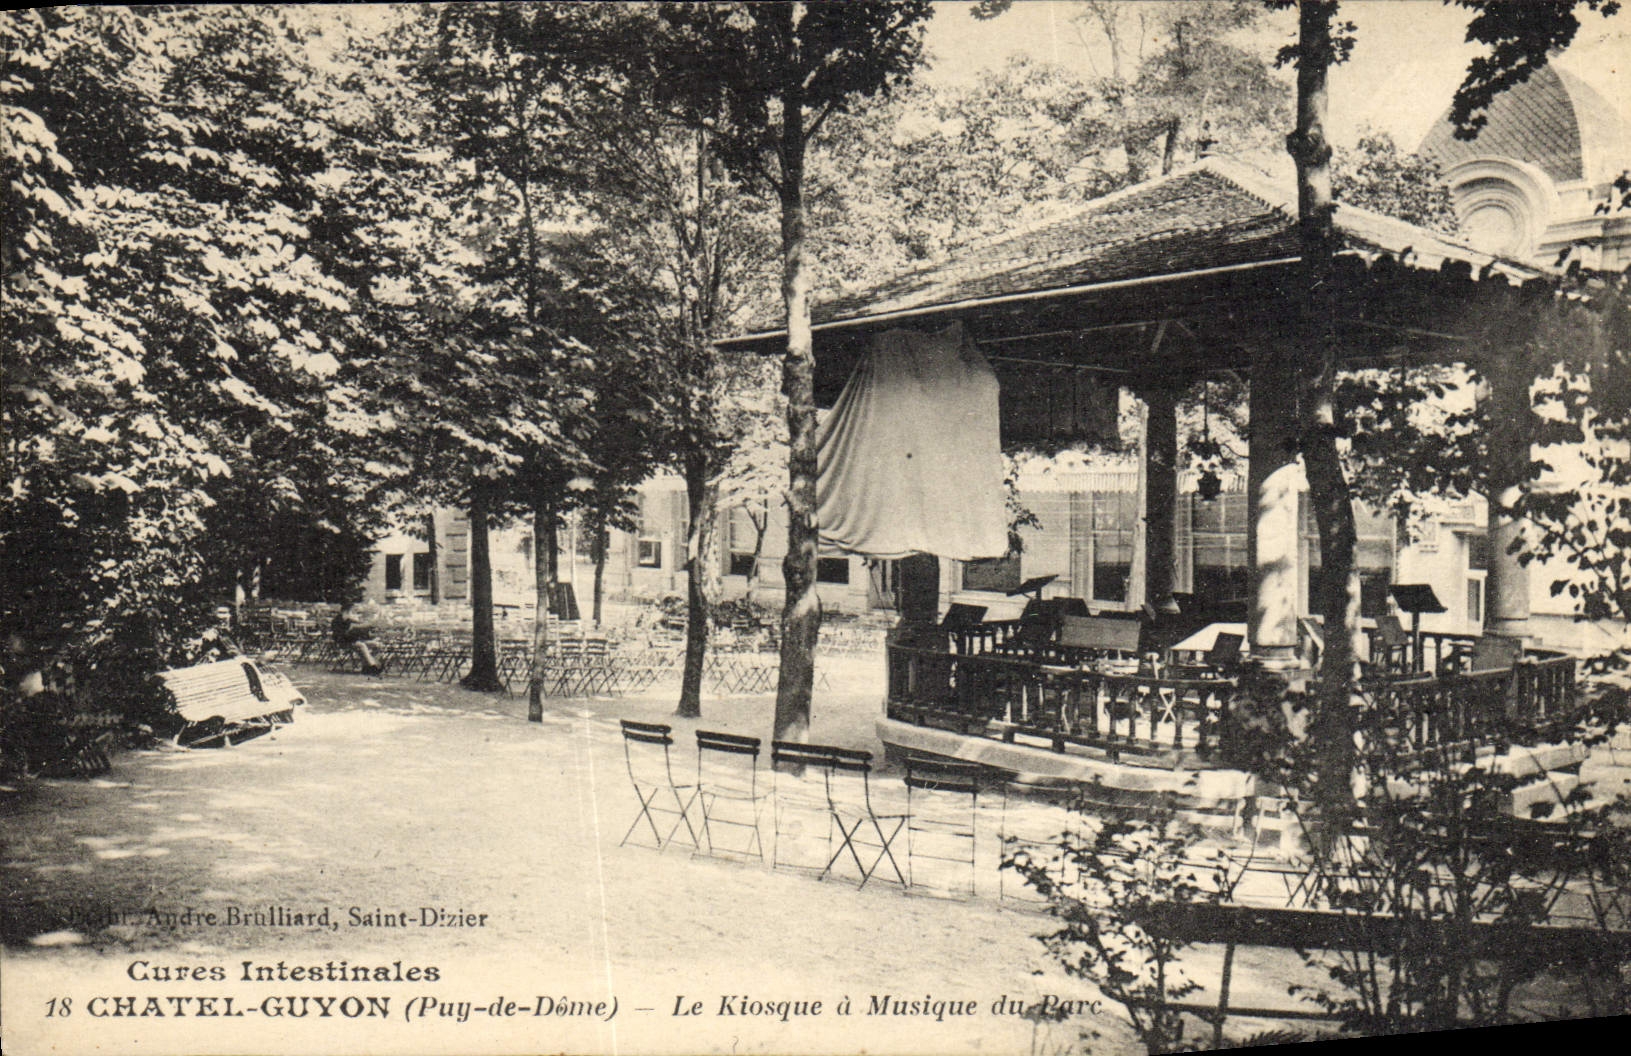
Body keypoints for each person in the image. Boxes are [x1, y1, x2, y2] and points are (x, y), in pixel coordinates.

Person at [331, 606, 382, 676]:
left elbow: (362, 629)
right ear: (346, 612)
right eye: (352, 613)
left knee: (376, 644)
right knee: (361, 645)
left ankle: (366, 667)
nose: (353, 615)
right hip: (343, 643)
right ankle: (373, 666)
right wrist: (350, 633)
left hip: (354, 641)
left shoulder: (349, 621)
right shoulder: (337, 621)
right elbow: (339, 636)